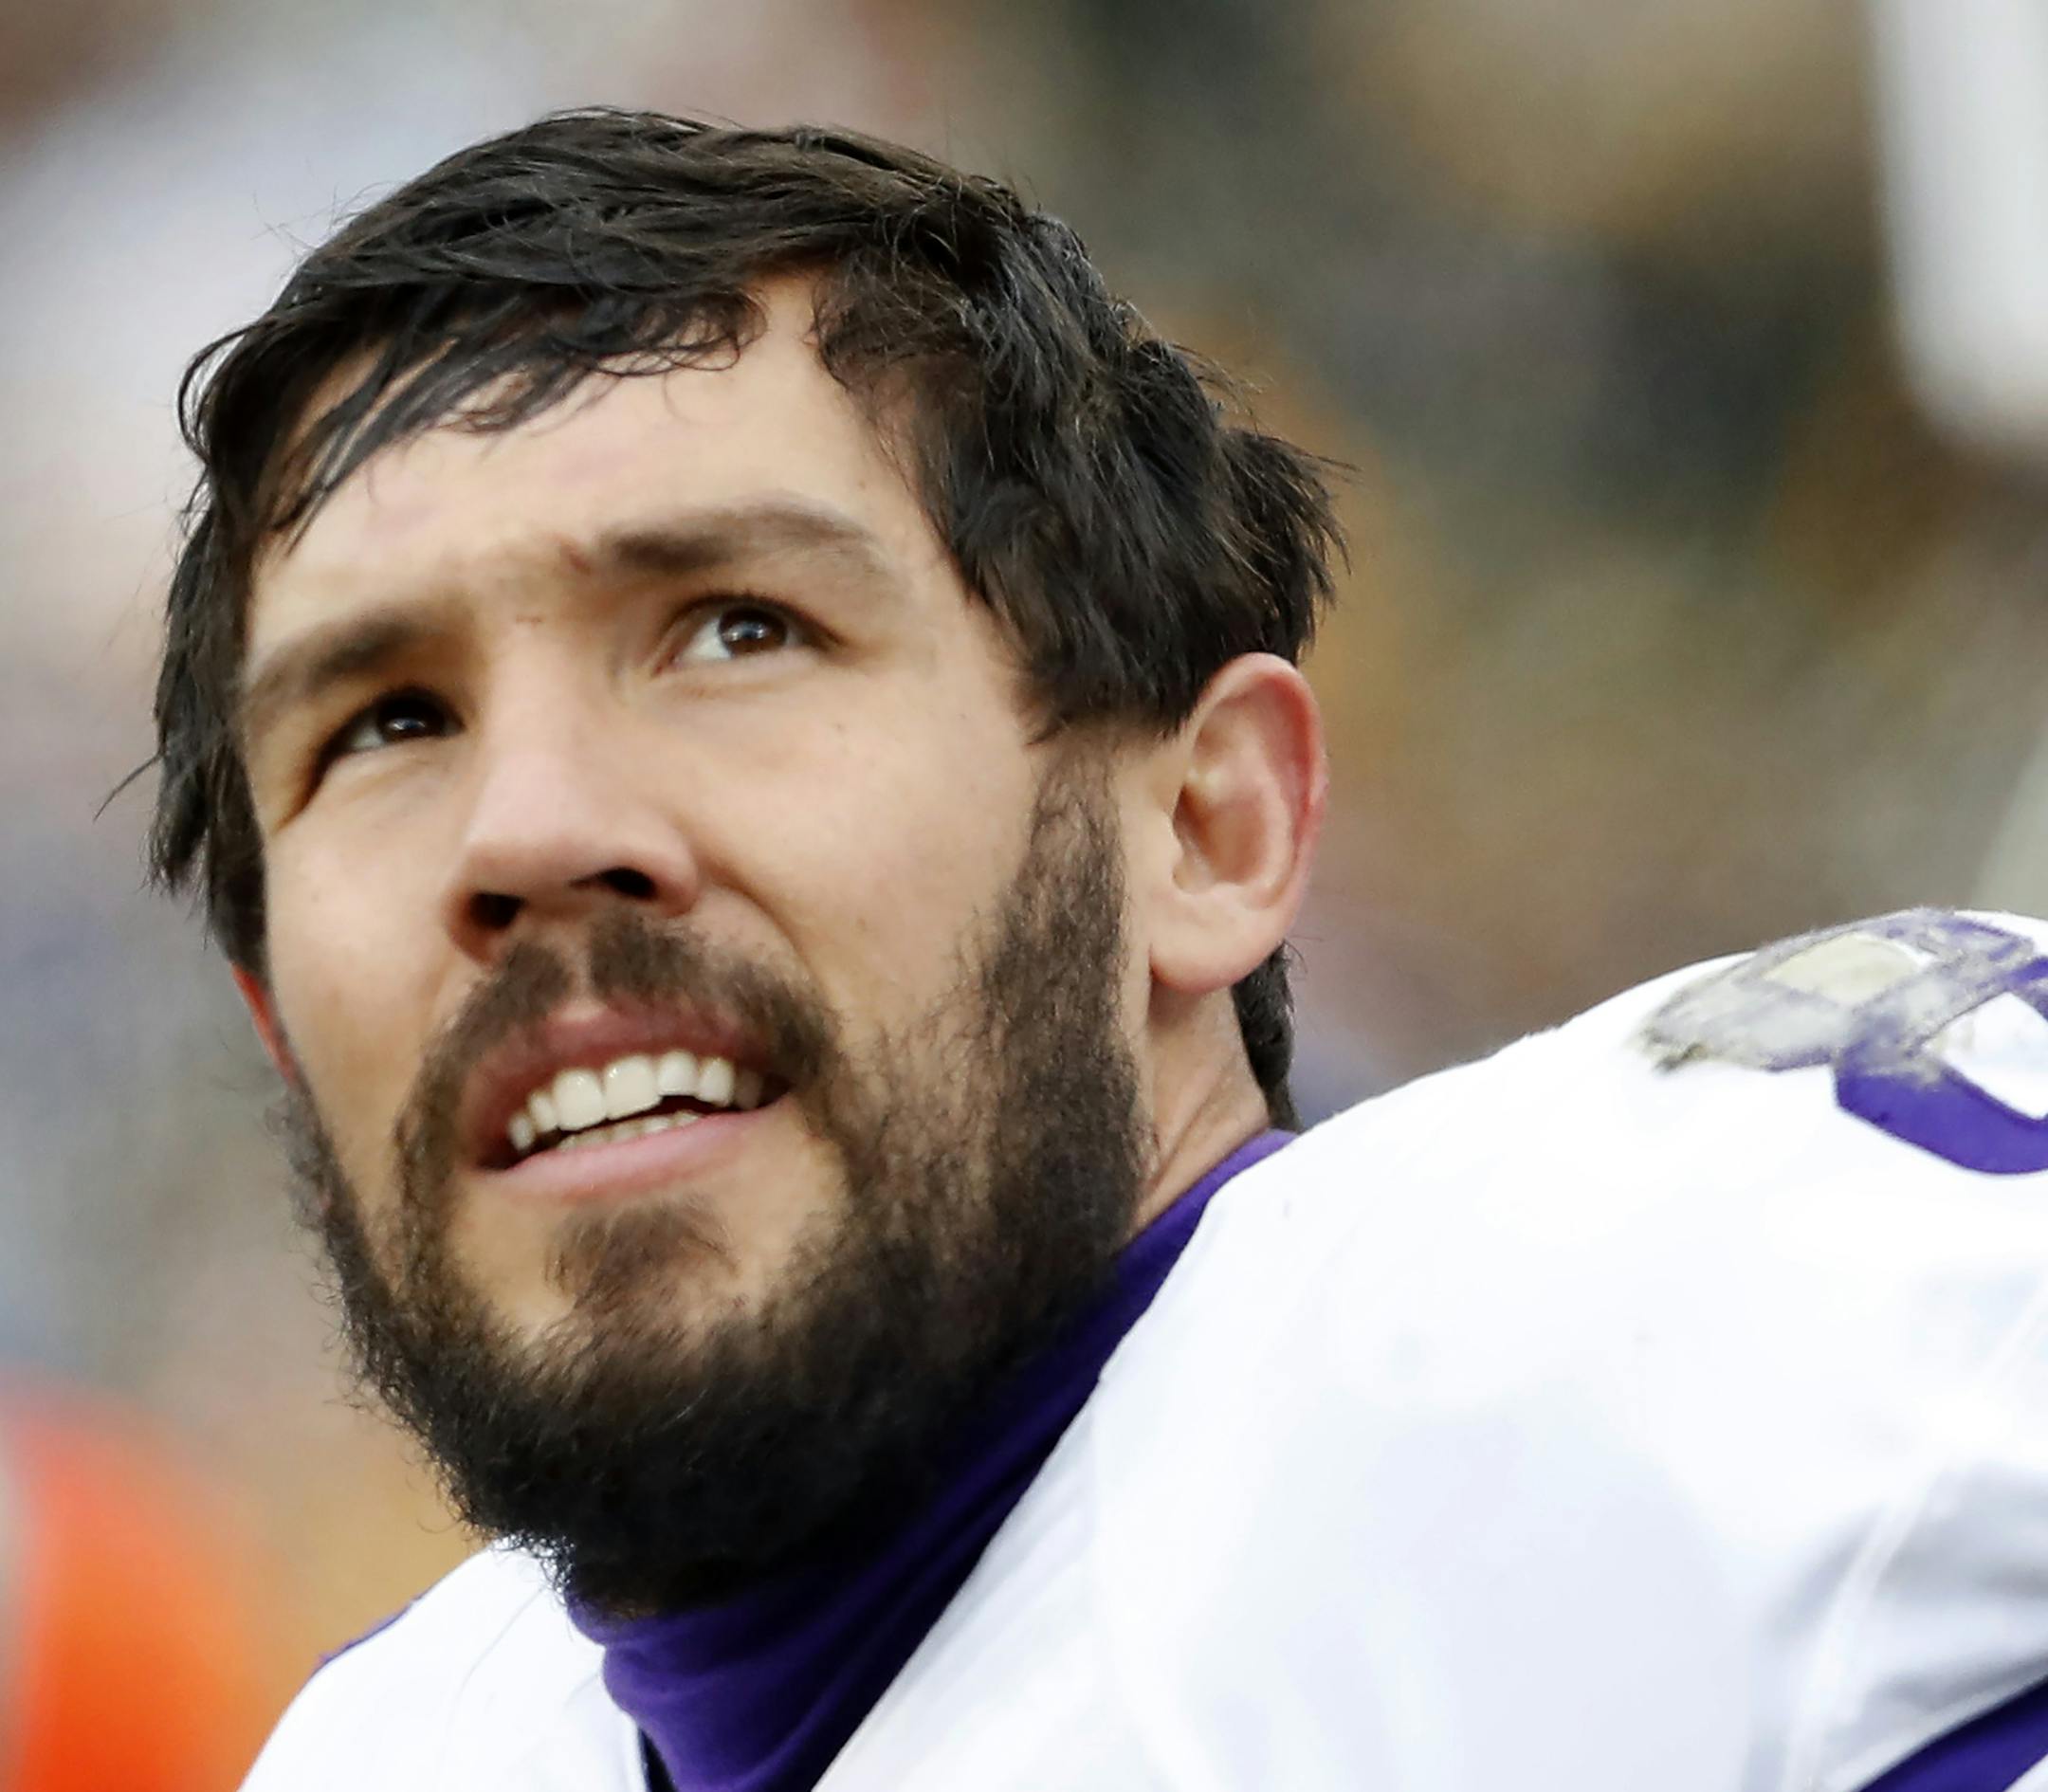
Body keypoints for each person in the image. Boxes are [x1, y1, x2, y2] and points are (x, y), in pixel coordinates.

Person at [149, 110, 2048, 1792]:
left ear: (1207, 829)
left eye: (737, 629)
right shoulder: (382, 1753)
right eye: (385, 723)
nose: (532, 832)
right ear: (284, 1030)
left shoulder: (1716, 1348)